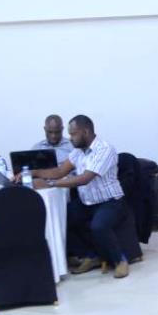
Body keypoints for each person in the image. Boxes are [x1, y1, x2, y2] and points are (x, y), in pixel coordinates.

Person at [23, 114, 129, 279]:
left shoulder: (104, 149)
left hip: (110, 201)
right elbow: (59, 171)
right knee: (64, 219)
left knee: (98, 226)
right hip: (87, 202)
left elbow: (84, 178)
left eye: (73, 134)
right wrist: (34, 172)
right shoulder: (78, 152)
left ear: (85, 132)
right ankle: (91, 255)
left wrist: (50, 184)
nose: (70, 138)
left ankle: (120, 260)